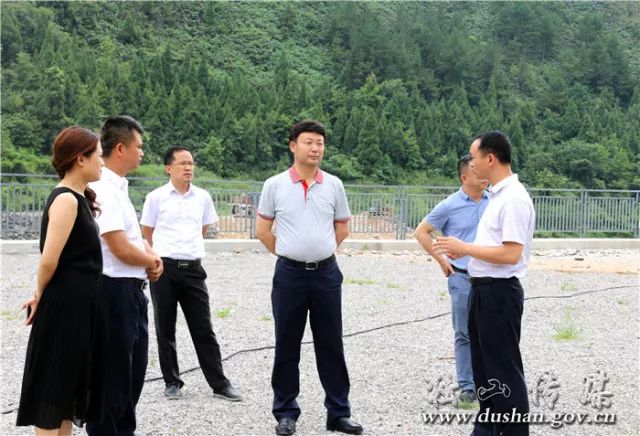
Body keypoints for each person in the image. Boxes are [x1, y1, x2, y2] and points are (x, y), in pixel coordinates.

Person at [256, 120, 363, 436]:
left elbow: (342, 228)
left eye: (320, 143)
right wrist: (291, 253)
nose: (315, 148)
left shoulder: (334, 184)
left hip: (326, 274)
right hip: (289, 274)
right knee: (287, 343)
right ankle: (286, 412)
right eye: (308, 142)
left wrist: (320, 250)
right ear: (293, 146)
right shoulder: (275, 185)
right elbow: (263, 231)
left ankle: (339, 413)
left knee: (331, 343)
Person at [434, 131, 535, 436]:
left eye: (474, 156)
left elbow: (511, 253)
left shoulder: (514, 199)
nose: (471, 163)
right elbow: (492, 247)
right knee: (485, 372)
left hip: (499, 293)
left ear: (490, 158)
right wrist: (462, 252)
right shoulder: (497, 196)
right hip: (482, 289)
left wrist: (465, 249)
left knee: (503, 372)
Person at [17, 126, 106, 435]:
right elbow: (49, 259)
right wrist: (39, 293)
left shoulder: (79, 198)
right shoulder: (66, 200)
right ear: (80, 159)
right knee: (53, 392)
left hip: (80, 306)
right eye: (98, 155)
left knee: (68, 392)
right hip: (65, 306)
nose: (102, 162)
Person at [140, 145, 241, 402]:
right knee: (165, 326)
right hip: (164, 269)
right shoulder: (156, 197)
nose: (188, 168)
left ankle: (219, 383)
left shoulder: (203, 197)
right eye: (182, 163)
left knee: (203, 327)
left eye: (191, 163)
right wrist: (155, 259)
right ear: (168, 168)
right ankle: (172, 381)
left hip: (194, 269)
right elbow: (146, 234)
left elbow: (204, 228)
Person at [86, 115, 163, 436]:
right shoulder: (103, 187)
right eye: (139, 147)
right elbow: (117, 246)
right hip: (113, 292)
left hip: (130, 290)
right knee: (113, 376)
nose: (142, 153)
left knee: (131, 372)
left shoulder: (118, 186)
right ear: (120, 148)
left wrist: (150, 258)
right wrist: (152, 258)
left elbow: (132, 239)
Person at [414, 154, 488, 403]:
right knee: (464, 332)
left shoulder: (496, 202)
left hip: (490, 276)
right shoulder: (449, 205)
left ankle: (490, 382)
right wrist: (441, 260)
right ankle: (468, 386)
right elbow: (421, 232)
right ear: (464, 177)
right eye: (478, 172)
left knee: (490, 330)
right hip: (461, 276)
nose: (484, 177)